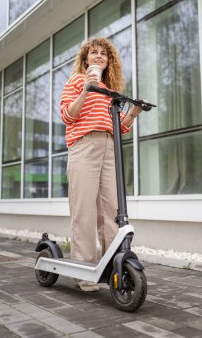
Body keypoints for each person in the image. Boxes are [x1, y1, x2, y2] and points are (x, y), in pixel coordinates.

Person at [60, 37, 142, 291]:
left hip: (110, 147)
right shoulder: (76, 81)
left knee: (112, 211)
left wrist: (134, 112)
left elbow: (121, 128)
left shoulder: (110, 91)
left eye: (103, 54)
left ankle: (112, 266)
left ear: (109, 61)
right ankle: (84, 271)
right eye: (93, 53)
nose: (99, 57)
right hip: (84, 146)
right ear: (85, 59)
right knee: (84, 210)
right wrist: (86, 88)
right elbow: (67, 115)